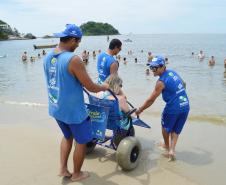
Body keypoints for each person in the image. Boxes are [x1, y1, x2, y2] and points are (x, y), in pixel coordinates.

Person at [43, 24, 108, 182]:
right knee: (81, 141)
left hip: (56, 108)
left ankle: (63, 169)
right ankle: (76, 174)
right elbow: (91, 87)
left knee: (67, 137)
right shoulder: (73, 59)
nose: (78, 45)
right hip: (74, 112)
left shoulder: (48, 56)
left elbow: (60, 80)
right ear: (72, 39)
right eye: (78, 41)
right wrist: (104, 86)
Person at [135, 56, 190, 161]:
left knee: (165, 126)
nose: (152, 70)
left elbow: (151, 100)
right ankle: (172, 151)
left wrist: (140, 109)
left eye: (154, 68)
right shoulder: (172, 72)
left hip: (173, 108)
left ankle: (166, 146)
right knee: (175, 129)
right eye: (151, 67)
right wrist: (177, 94)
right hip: (185, 105)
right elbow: (184, 84)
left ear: (162, 67)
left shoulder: (161, 82)